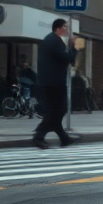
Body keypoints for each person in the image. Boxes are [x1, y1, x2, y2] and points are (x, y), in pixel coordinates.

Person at [33, 19, 81, 148]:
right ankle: (39, 135)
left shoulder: (49, 39)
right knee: (59, 110)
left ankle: (64, 138)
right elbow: (68, 59)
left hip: (49, 81)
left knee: (55, 111)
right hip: (54, 82)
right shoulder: (55, 41)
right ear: (58, 28)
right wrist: (74, 46)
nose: (67, 29)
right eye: (65, 27)